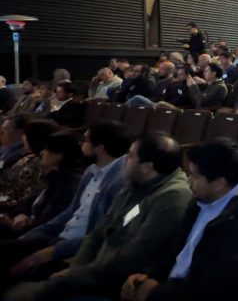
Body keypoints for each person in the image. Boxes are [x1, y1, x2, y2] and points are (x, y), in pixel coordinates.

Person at [2, 133, 192, 300]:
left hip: (121, 279)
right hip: (96, 269)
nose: (125, 160)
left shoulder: (171, 197)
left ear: (147, 166)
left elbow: (135, 255)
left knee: (20, 293)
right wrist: (77, 268)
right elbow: (98, 232)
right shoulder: (134, 185)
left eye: (131, 156)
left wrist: (77, 275)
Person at [120, 139, 238, 301]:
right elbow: (176, 254)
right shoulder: (202, 200)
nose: (188, 181)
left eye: (194, 175)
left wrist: (155, 293)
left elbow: (214, 287)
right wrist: (145, 277)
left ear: (219, 183)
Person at [1, 121, 129, 282]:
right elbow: (69, 212)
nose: (81, 143)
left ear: (100, 148)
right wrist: (31, 235)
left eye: (86, 140)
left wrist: (53, 249)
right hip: (59, 237)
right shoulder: (91, 171)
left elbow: (99, 233)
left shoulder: (119, 182)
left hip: (75, 248)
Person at [0, 131, 83, 238]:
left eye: (47, 150)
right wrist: (20, 213)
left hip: (31, 236)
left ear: (59, 155)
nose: (42, 153)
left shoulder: (68, 185)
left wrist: (12, 223)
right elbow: (30, 201)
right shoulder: (53, 177)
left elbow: (47, 222)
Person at [0, 121, 60, 214]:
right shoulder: (28, 156)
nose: (22, 137)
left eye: (25, 134)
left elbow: (25, 198)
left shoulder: (40, 164)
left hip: (9, 206)